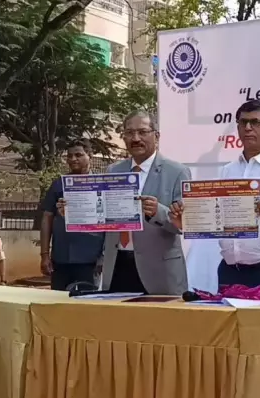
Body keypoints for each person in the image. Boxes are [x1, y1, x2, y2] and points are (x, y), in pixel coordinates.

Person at [169, 100, 260, 300]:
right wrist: (187, 222)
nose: (248, 128)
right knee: (230, 322)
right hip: (231, 271)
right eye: (242, 122)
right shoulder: (227, 171)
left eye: (256, 122)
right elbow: (217, 219)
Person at [59, 111, 191, 295]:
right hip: (117, 265)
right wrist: (75, 214)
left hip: (159, 271)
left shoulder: (177, 171)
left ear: (156, 136)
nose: (135, 138)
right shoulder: (113, 170)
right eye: (129, 133)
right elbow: (104, 221)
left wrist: (158, 212)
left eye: (142, 132)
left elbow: (185, 224)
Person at [40, 140, 104, 290]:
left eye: (78, 155)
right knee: (58, 301)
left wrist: (104, 257)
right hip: (61, 258)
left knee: (88, 301)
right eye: (69, 156)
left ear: (90, 156)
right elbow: (47, 218)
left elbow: (111, 222)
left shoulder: (101, 184)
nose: (73, 159)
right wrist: (44, 255)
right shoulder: (58, 185)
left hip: (91, 259)